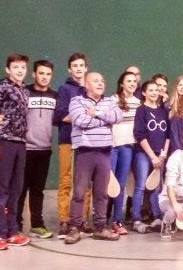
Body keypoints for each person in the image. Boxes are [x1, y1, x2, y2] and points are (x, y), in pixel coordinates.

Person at [64, 72, 123, 244]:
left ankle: (100, 227)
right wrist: (105, 120)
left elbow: (118, 117)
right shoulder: (77, 101)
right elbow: (80, 120)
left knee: (101, 193)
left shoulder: (109, 101)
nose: (100, 83)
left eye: (102, 80)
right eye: (95, 81)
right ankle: (74, 228)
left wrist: (96, 113)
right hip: (85, 152)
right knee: (80, 192)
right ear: (86, 85)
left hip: (104, 152)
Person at [0, 53, 31, 250]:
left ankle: (12, 232)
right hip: (3, 143)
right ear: (8, 69)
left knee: (16, 190)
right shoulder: (0, 88)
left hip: (21, 144)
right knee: (1, 190)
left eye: (22, 67)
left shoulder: (25, 92)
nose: (20, 70)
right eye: (16, 67)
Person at [16, 60, 57, 239]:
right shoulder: (24, 93)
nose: (44, 77)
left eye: (48, 74)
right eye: (41, 73)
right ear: (34, 74)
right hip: (25, 149)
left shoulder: (55, 96)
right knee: (20, 189)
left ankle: (37, 225)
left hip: (44, 150)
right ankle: (16, 225)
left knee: (38, 190)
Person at [54, 53, 92, 238]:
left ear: (86, 68)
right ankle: (64, 220)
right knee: (66, 180)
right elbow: (61, 115)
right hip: (67, 140)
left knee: (84, 182)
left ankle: (82, 220)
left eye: (81, 65)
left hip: (87, 142)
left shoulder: (91, 89)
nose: (78, 68)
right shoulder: (64, 89)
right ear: (70, 69)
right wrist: (83, 117)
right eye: (75, 65)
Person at [132, 80, 171, 233]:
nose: (155, 92)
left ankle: (156, 217)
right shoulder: (141, 110)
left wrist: (163, 153)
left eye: (156, 90)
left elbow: (167, 135)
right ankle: (136, 220)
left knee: (156, 187)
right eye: (151, 90)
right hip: (144, 154)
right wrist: (152, 156)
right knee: (141, 186)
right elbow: (140, 135)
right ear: (144, 92)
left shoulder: (162, 111)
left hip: (159, 155)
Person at [108, 71, 140, 235]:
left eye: (134, 81)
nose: (133, 83)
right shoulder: (112, 100)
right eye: (129, 81)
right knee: (107, 184)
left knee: (120, 185)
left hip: (128, 147)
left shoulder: (138, 103)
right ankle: (100, 219)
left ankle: (116, 221)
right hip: (112, 147)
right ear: (122, 84)